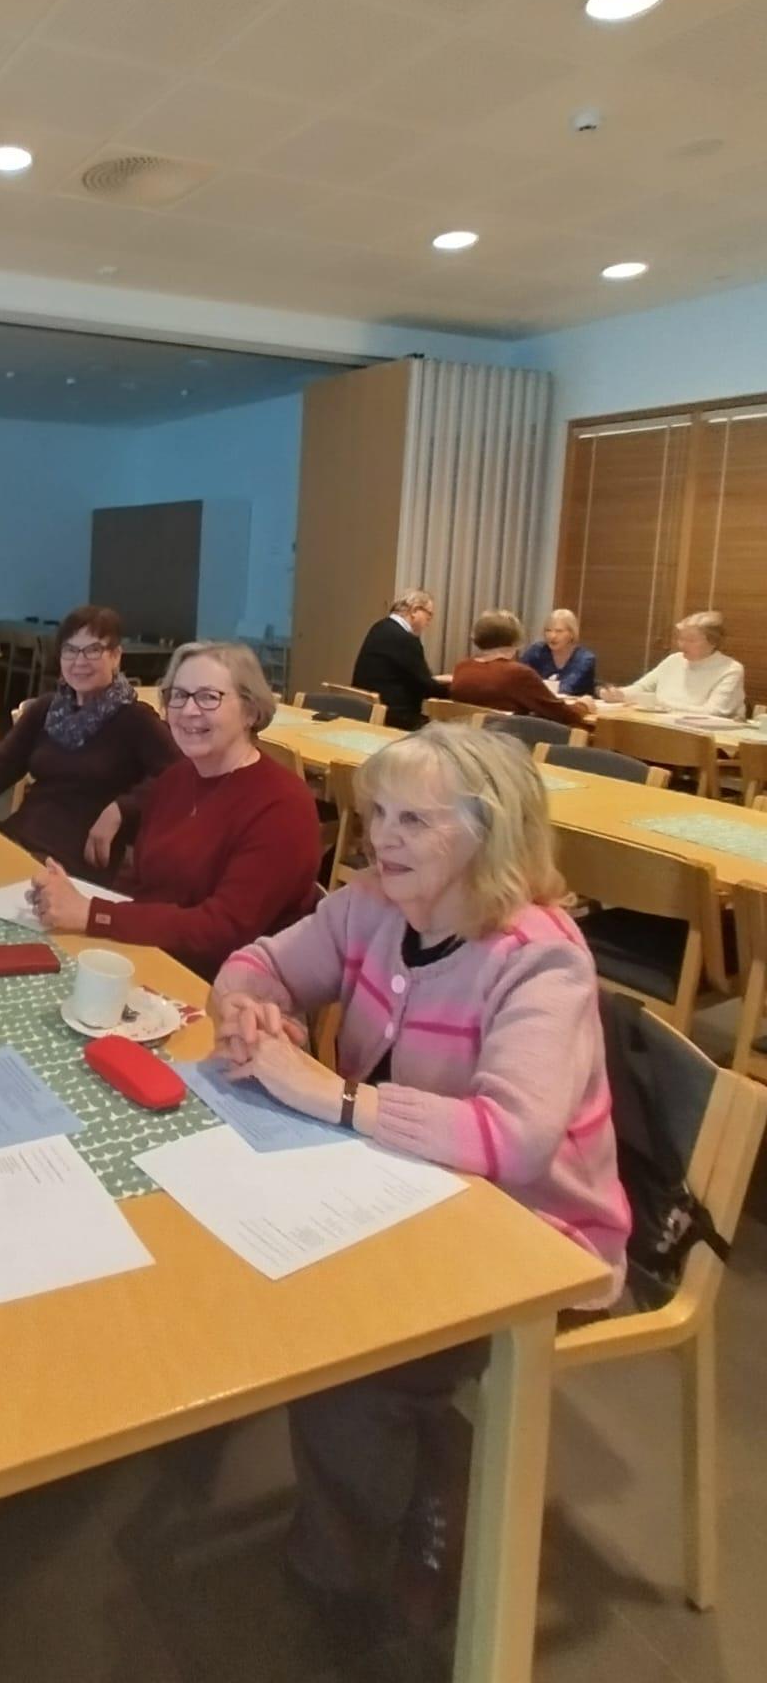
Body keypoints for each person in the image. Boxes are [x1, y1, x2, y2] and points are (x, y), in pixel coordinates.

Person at [209, 725, 626, 1627]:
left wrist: (330, 1097)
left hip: (534, 1232)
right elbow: (258, 962)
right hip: (402, 1184)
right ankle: (405, 1470)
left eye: (414, 821)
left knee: (349, 1342)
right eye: (377, 815)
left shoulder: (539, 956)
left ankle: (353, 1569)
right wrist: (248, 1009)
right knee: (242, 1253)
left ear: (489, 833)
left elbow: (515, 1140)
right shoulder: (371, 905)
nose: (380, 839)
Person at [28, 641, 321, 980]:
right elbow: (144, 885)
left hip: (233, 988)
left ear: (251, 712)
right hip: (156, 957)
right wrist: (77, 900)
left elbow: (223, 931)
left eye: (208, 697)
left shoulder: (283, 805)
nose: (188, 710)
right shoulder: (175, 780)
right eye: (178, 696)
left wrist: (93, 914)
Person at [0, 605, 179, 878]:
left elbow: (180, 775)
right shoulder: (47, 709)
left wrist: (121, 810)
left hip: (72, 857)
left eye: (93, 650)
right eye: (70, 650)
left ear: (116, 656)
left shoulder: (135, 719)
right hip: (23, 836)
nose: (79, 661)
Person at [449, 610, 591, 728]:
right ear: (515, 640)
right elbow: (563, 715)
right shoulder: (517, 674)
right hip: (506, 744)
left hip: (467, 742)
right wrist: (583, 705)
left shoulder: (462, 668)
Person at [599, 610, 746, 720]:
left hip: (705, 740)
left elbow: (713, 712)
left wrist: (659, 704)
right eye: (681, 639)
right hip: (662, 729)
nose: (682, 645)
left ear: (713, 642)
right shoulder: (674, 660)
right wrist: (620, 694)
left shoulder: (731, 669)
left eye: (691, 640)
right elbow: (642, 687)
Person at [350, 590, 446, 730]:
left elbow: (400, 674)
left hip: (367, 712)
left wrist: (435, 680)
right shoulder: (406, 640)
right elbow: (428, 688)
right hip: (395, 720)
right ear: (414, 610)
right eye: (429, 615)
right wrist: (458, 689)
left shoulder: (379, 627)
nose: (429, 622)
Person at [521, 608, 598, 698]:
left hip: (572, 704)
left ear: (572, 633)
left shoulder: (584, 658)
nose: (552, 636)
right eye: (548, 630)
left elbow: (567, 687)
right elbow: (519, 676)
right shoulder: (537, 651)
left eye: (559, 631)